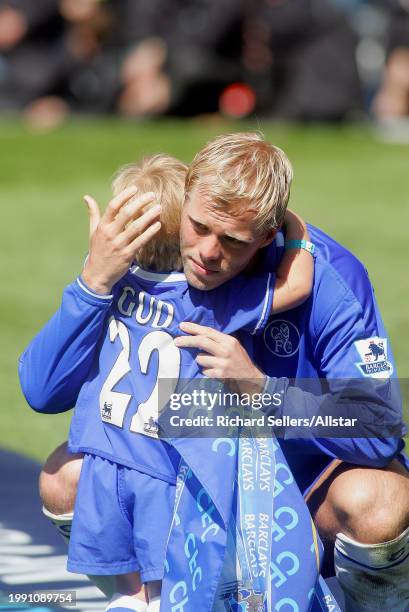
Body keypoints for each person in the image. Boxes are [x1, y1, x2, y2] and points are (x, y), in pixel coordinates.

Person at [20, 132, 409, 611]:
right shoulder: (150, 244)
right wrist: (93, 283)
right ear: (184, 201)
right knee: (66, 475)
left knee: (379, 502)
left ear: (267, 237)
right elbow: (41, 390)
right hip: (188, 487)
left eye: (231, 240)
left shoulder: (329, 278)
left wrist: (263, 390)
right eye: (199, 226)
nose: (206, 252)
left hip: (303, 499)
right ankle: (141, 599)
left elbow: (379, 429)